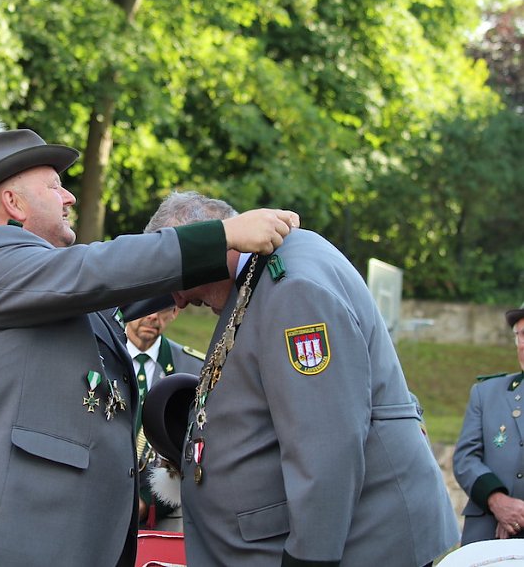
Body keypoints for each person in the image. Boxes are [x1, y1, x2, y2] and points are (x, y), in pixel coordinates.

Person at [0, 114, 299, 567]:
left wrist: (207, 273)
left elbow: (113, 290)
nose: (70, 196)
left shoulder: (39, 279)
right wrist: (221, 238)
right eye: (55, 186)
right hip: (0, 545)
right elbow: (96, 271)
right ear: (14, 203)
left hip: (43, 542)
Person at [144, 192, 459, 566]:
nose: (176, 301)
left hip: (363, 546)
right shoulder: (265, 273)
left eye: (174, 277)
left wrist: (311, 557)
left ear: (208, 248)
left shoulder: (293, 288)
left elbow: (327, 441)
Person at [125, 306, 202, 531]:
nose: (152, 315)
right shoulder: (98, 356)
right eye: (145, 306)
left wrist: (148, 502)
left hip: (164, 513)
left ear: (176, 312)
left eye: (163, 308)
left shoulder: (194, 368)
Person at [453, 301, 524, 544]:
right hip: (488, 532)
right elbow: (465, 458)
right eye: (520, 335)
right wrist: (498, 501)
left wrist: (518, 515)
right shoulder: (487, 392)